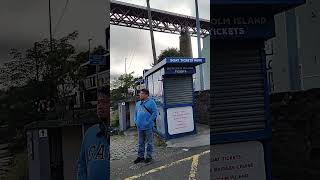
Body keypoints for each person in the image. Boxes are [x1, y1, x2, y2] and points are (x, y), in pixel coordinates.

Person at [77, 85, 110, 180]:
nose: (99, 106)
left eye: (104, 102)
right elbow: (82, 165)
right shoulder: (90, 133)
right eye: (98, 102)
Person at [134, 88, 157, 164]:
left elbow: (154, 113)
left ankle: (149, 157)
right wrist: (136, 121)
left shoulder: (151, 102)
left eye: (141, 93)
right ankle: (140, 157)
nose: (139, 95)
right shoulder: (138, 103)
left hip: (148, 127)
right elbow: (135, 114)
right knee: (140, 142)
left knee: (149, 142)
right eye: (139, 93)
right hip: (139, 127)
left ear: (146, 95)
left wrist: (148, 122)